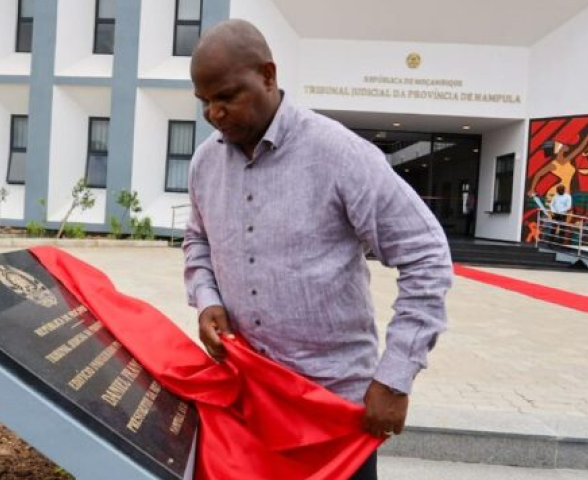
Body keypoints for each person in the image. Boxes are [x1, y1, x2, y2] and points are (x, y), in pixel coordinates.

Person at [183, 19, 452, 480]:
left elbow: (426, 255)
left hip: (333, 410)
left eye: (226, 97)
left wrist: (394, 377)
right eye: (205, 102)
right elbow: (197, 239)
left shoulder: (340, 154)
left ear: (268, 75)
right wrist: (207, 297)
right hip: (247, 401)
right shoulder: (205, 161)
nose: (214, 113)